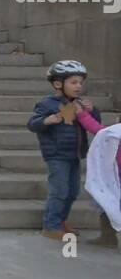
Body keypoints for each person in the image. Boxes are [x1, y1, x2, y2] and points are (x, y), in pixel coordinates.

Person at [27, 60, 100, 240]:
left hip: (75, 154)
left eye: (80, 83)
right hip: (57, 155)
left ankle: (61, 220)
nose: (78, 86)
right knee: (59, 190)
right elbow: (32, 124)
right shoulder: (47, 104)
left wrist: (93, 111)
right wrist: (47, 120)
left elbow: (94, 124)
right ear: (59, 84)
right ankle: (51, 225)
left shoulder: (80, 104)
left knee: (73, 191)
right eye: (73, 82)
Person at [75, 96, 120, 250]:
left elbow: (97, 129)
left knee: (107, 205)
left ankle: (108, 237)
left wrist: (82, 114)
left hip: (114, 180)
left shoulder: (115, 133)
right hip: (115, 179)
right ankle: (108, 237)